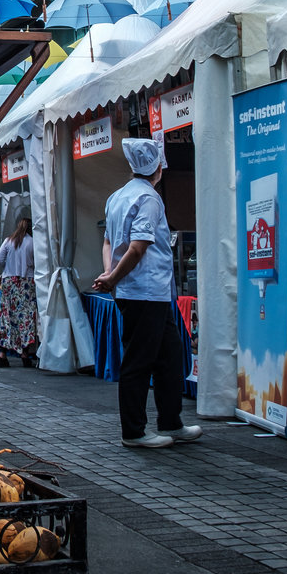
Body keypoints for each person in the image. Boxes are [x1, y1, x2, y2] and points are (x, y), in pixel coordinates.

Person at [92, 137, 203, 450]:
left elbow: (109, 244)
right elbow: (138, 247)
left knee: (169, 356)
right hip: (146, 292)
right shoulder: (150, 199)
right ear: (158, 168)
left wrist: (110, 274)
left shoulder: (117, 196)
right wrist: (113, 277)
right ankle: (134, 430)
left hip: (139, 291)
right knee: (140, 361)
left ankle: (171, 421)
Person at [0, 215, 38, 368]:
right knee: (25, 317)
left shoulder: (8, 241)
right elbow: (38, 262)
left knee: (7, 316)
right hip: (26, 281)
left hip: (9, 282)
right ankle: (25, 354)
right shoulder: (33, 242)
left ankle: (2, 353)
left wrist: (8, 266)